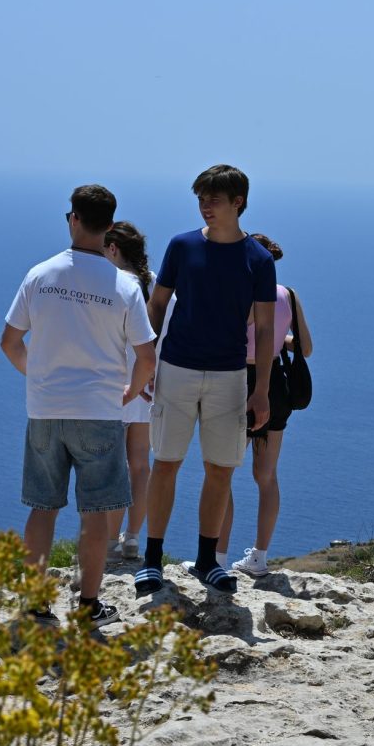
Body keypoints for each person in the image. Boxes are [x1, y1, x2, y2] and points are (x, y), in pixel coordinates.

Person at [1, 186, 156, 626]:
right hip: (100, 410)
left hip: (46, 409)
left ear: (72, 219)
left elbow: (10, 342)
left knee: (42, 508)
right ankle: (88, 607)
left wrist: (38, 378)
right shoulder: (125, 285)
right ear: (110, 226)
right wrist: (128, 393)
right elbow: (147, 358)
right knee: (95, 513)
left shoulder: (40, 275)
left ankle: (35, 606)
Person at [136, 165, 277, 598]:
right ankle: (151, 560)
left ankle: (206, 561)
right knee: (166, 463)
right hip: (176, 367)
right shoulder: (182, 246)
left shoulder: (258, 259)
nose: (205, 206)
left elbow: (265, 330)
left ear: (238, 202)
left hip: (230, 375)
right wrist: (147, 360)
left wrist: (261, 390)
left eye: (213, 198)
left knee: (220, 469)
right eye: (200, 198)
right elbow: (157, 304)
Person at [219, 233, 314, 578]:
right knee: (266, 475)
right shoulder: (289, 294)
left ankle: (217, 558)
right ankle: (259, 558)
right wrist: (279, 339)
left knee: (222, 472)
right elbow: (305, 348)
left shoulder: (244, 292)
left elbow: (230, 335)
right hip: (275, 385)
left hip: (240, 381)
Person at [103, 221, 155, 560]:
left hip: (117, 383)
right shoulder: (157, 283)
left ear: (113, 249)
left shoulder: (114, 283)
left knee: (114, 465)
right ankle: (133, 538)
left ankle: (108, 541)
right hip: (148, 383)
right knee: (140, 464)